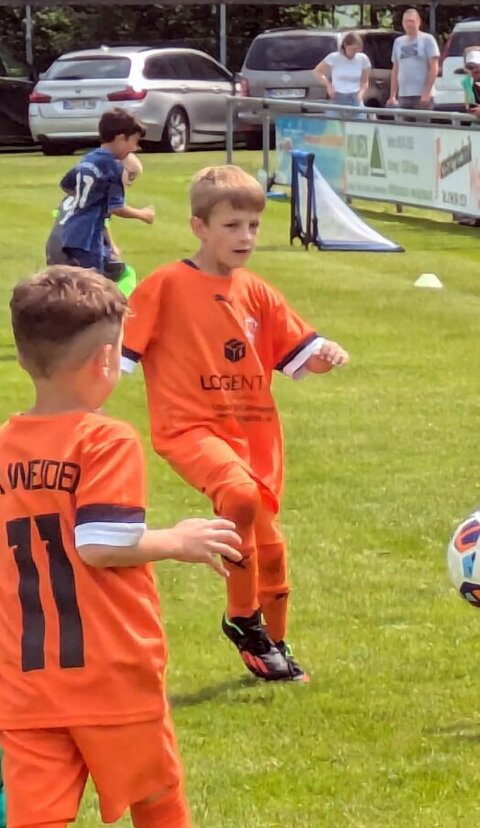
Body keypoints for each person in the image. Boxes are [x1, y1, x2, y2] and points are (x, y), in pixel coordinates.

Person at [0, 265, 243, 827]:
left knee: (35, 818)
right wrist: (177, 540)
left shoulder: (7, 445)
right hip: (111, 674)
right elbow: (101, 543)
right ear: (106, 362)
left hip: (25, 679)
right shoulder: (104, 438)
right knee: (157, 802)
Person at [121, 165, 350, 683]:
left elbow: (296, 357)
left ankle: (275, 643)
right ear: (199, 227)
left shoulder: (258, 292)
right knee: (240, 499)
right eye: (231, 225)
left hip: (255, 434)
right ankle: (244, 620)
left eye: (252, 225)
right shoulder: (166, 285)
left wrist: (325, 356)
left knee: (268, 544)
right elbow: (121, 356)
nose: (244, 236)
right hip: (189, 429)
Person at [56, 109, 154, 276]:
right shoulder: (113, 167)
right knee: (93, 285)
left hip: (70, 232)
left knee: (85, 279)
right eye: (134, 142)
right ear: (121, 138)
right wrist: (143, 214)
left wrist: (86, 198)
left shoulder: (88, 158)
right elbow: (116, 208)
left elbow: (66, 184)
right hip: (88, 238)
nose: (135, 147)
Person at [47, 152, 145, 296]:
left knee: (65, 287)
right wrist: (143, 214)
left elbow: (100, 223)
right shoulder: (101, 194)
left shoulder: (74, 196)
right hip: (76, 247)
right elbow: (108, 217)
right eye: (130, 176)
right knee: (123, 274)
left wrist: (112, 246)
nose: (130, 183)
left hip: (53, 249)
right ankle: (121, 309)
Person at [387, 9, 439, 110]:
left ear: (418, 22)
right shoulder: (398, 42)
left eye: (411, 21)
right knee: (404, 125)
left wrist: (427, 92)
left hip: (422, 95)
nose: (409, 24)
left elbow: (434, 67)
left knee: (421, 125)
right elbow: (395, 69)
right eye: (406, 21)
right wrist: (392, 95)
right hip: (403, 95)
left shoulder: (427, 39)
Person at [314, 32, 372, 107]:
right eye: (352, 49)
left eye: (357, 50)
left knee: (359, 117)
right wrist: (328, 85)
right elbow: (317, 72)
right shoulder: (334, 57)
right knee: (335, 118)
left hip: (355, 96)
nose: (354, 52)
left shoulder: (363, 59)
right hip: (337, 96)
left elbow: (365, 82)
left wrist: (361, 95)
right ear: (345, 45)